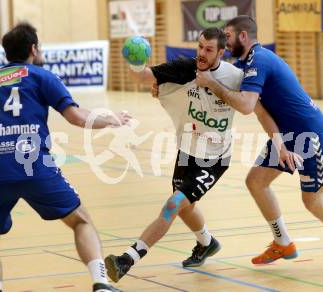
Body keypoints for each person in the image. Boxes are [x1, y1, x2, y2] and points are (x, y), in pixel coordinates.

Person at [104, 27, 298, 283]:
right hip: (186, 152)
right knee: (186, 207)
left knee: (173, 205)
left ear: (221, 51)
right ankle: (206, 243)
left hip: (214, 159)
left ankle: (127, 259)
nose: (202, 54)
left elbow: (258, 111)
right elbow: (144, 77)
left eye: (208, 50)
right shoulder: (187, 68)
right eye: (199, 47)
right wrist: (135, 61)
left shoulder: (235, 77)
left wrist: (280, 143)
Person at [194, 15, 323, 271]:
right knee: (256, 181)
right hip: (288, 135)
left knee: (313, 201)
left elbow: (244, 105)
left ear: (243, 36)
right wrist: (280, 146)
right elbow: (260, 111)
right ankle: (282, 242)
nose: (225, 41)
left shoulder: (259, 60)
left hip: (310, 135)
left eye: (228, 36)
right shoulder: (246, 65)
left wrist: (212, 83)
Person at [0, 22, 128, 292]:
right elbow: (77, 117)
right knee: (80, 220)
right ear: (33, 48)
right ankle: (101, 283)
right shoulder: (41, 76)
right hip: (32, 163)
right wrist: (111, 119)